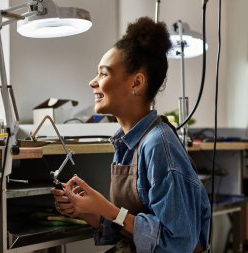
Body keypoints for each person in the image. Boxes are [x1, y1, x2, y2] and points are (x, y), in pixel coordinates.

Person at [51, 16, 211, 253]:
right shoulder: (125, 144)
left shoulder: (159, 145)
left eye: (103, 74)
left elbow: (179, 242)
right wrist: (89, 211)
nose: (92, 82)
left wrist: (108, 208)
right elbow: (129, 227)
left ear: (136, 82)